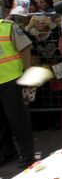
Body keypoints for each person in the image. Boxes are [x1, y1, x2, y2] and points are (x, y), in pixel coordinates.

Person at [0, 16, 35, 168]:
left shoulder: (8, 26)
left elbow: (25, 48)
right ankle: (6, 152)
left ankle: (28, 156)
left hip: (12, 80)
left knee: (19, 120)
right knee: (1, 121)